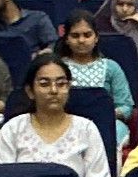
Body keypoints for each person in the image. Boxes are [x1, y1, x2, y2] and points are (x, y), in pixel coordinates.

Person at [55, 11, 131, 148]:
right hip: (66, 123)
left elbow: (126, 106)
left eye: (87, 35)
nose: (81, 40)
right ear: (66, 39)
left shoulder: (111, 67)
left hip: (105, 124)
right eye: (75, 36)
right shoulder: (56, 68)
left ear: (96, 37)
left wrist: (105, 114)